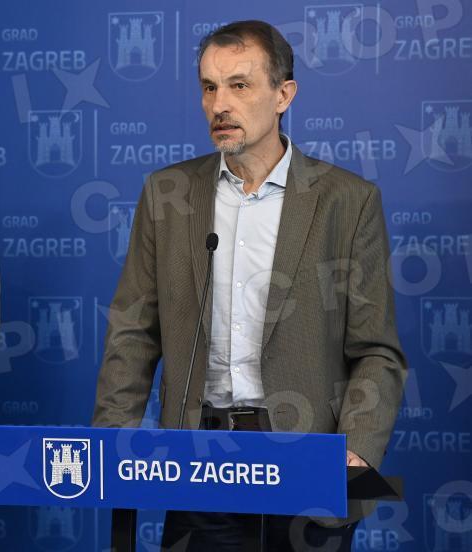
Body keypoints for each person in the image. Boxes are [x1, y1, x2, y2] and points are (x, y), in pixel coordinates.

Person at [92, 20, 406, 551]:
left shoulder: (347, 201)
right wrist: (110, 446)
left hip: (307, 463)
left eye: (239, 85)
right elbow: (133, 334)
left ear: (284, 95)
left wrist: (356, 450)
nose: (220, 104)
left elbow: (376, 350)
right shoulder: (167, 193)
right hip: (198, 462)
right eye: (209, 87)